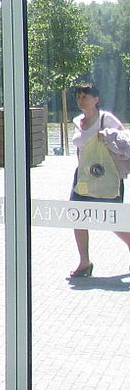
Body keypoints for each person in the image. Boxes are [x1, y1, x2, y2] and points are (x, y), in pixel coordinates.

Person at [66, 83, 130, 280]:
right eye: (79, 96)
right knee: (77, 217)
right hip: (84, 176)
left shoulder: (106, 118)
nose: (81, 100)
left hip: (107, 177)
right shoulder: (78, 121)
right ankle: (84, 262)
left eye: (85, 96)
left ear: (96, 99)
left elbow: (125, 141)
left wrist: (108, 136)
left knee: (113, 220)